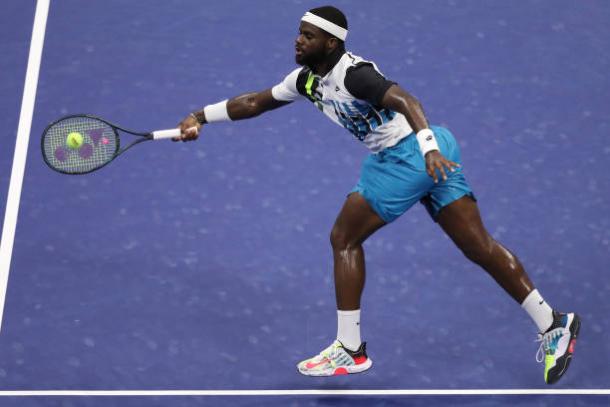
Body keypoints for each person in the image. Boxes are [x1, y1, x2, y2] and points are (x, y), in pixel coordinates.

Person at [175, 6, 579, 384]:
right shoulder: (305, 80)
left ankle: (350, 349)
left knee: (344, 238)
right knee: (479, 247)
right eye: (299, 33)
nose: (298, 41)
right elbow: (254, 102)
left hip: (411, 157)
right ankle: (553, 323)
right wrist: (199, 116)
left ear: (330, 43)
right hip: (431, 152)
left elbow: (406, 100)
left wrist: (427, 150)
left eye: (308, 36)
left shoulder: (355, 75)